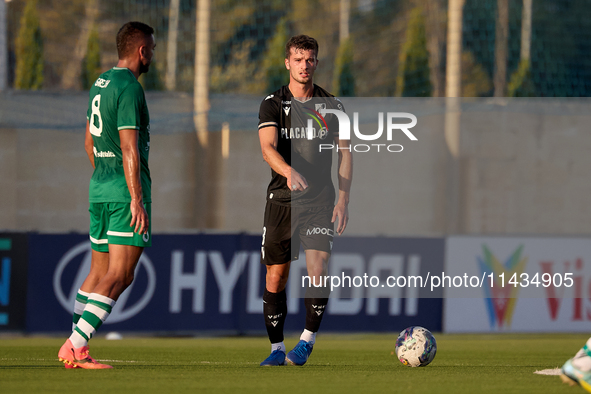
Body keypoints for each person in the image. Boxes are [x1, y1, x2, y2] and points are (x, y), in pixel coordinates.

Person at [58, 21, 156, 369]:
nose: (152, 57)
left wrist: (105, 176)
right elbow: (129, 148)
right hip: (121, 193)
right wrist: (136, 198)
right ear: (142, 50)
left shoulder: (100, 83)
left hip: (99, 187)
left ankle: (78, 350)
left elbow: (89, 142)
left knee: (98, 273)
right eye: (152, 50)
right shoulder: (129, 88)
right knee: (120, 274)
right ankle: (74, 344)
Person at [257, 35, 352, 366]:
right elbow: (267, 147)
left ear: (316, 63)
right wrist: (287, 171)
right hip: (282, 200)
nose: (304, 65)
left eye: (310, 59)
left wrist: (343, 200)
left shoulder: (333, 106)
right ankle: (276, 349)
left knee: (318, 268)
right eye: (298, 59)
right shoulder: (272, 103)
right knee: (275, 276)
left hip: (319, 201)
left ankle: (306, 342)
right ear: (287, 63)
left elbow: (345, 153)